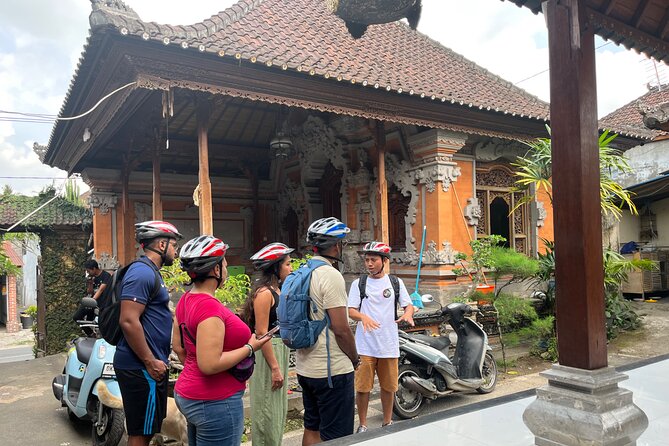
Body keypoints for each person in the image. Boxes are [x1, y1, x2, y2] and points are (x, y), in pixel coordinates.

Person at [172, 235, 271, 446]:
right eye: (224, 263)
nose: (226, 268)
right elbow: (209, 364)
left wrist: (192, 369)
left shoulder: (185, 300)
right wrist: (250, 347)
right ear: (216, 270)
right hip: (215, 401)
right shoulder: (210, 308)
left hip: (189, 393)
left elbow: (179, 347)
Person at [114, 220, 182, 446]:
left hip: (147, 365)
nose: (176, 251)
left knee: (148, 429)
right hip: (141, 367)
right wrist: (150, 361)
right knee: (140, 433)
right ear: (162, 245)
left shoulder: (151, 272)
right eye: (174, 245)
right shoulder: (142, 272)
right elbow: (128, 320)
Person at [296, 217, 360, 446]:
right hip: (332, 371)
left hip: (305, 368)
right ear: (336, 246)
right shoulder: (331, 275)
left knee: (312, 427)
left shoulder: (303, 271)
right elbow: (341, 329)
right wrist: (354, 358)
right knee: (338, 436)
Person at [347, 241, 415, 432]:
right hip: (365, 345)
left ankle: (387, 422)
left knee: (389, 386)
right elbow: (351, 310)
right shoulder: (358, 283)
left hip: (388, 343)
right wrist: (363, 317)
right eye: (367, 260)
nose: (369, 264)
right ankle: (362, 424)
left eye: (373, 260)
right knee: (362, 388)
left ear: (384, 261)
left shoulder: (395, 282)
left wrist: (408, 313)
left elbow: (407, 305)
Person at [243, 243, 294, 446]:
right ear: (276, 267)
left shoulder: (277, 290)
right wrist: (274, 368)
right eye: (288, 264)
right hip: (267, 354)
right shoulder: (264, 293)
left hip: (278, 349)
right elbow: (262, 333)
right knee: (267, 410)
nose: (291, 268)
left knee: (277, 409)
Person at [73, 259, 112, 330]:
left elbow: (101, 290)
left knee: (93, 321)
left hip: (101, 304)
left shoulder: (106, 276)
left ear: (94, 268)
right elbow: (90, 292)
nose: (88, 273)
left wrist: (92, 301)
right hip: (92, 302)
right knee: (77, 317)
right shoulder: (92, 277)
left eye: (89, 271)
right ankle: (90, 334)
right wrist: (90, 283)